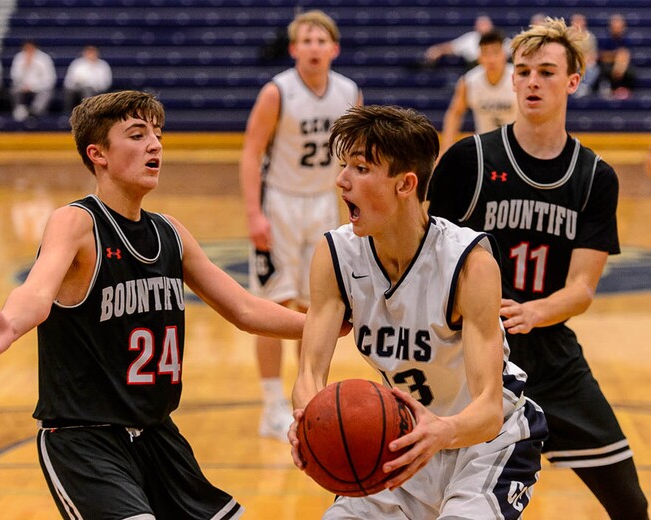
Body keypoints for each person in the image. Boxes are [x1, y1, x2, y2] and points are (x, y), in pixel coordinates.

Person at [0, 90, 308, 519]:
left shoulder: (170, 233)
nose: (154, 144)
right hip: (87, 441)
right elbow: (36, 293)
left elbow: (246, 310)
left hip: (158, 438)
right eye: (137, 135)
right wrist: (8, 323)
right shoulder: (77, 223)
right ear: (97, 154)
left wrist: (331, 324)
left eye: (157, 134)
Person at [428, 18, 649, 520]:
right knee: (430, 499)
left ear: (574, 80)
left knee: (631, 505)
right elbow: (428, 260)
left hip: (551, 357)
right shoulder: (470, 161)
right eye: (523, 71)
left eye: (546, 72)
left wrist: (534, 311)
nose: (531, 81)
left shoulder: (595, 177)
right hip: (471, 358)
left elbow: (582, 289)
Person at [290, 104, 548, 519]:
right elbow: (309, 375)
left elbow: (487, 409)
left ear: (405, 184)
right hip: (399, 441)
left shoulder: (469, 264)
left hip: (483, 445)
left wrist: (442, 431)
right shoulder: (336, 254)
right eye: (344, 166)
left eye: (359, 168)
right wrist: (308, 422)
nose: (341, 181)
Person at [239, 9, 362, 441]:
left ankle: (309, 396)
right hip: (281, 206)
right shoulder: (277, 92)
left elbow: (354, 158)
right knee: (274, 308)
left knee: (317, 309)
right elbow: (252, 154)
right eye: (305, 40)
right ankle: (271, 404)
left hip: (324, 207)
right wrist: (254, 214)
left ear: (334, 48)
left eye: (320, 40)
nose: (313, 47)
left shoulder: (348, 92)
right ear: (294, 49)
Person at [440, 29, 516, 157]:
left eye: (495, 53)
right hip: (485, 147)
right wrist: (446, 149)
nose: (491, 59)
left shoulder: (519, 78)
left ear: (504, 54)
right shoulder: (468, 81)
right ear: (479, 57)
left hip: (515, 146)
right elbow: (455, 113)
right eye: (486, 53)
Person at [9, 39, 57, 122]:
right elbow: (14, 77)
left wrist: (33, 87)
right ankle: (19, 112)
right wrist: (24, 67)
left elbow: (50, 79)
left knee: (46, 93)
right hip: (22, 87)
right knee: (13, 90)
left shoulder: (44, 58)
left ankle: (35, 112)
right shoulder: (19, 58)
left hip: (40, 87)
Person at [424, 14, 495, 69]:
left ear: (491, 26)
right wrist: (438, 50)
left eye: (485, 25)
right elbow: (452, 47)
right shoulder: (470, 38)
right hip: (474, 69)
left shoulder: (498, 39)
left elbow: (506, 47)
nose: (483, 28)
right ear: (476, 27)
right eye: (481, 25)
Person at [598, 13, 637, 99]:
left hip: (623, 66)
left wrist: (619, 65)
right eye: (614, 26)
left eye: (619, 26)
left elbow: (626, 55)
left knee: (630, 72)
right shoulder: (605, 40)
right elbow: (603, 56)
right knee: (604, 69)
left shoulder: (627, 40)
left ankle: (624, 90)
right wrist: (616, 56)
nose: (616, 28)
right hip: (609, 65)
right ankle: (609, 89)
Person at [63, 44, 112, 112]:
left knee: (86, 90)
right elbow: (69, 80)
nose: (90, 55)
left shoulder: (103, 65)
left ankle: (86, 112)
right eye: (88, 52)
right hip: (77, 88)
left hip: (95, 90)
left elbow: (105, 83)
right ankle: (68, 112)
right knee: (69, 91)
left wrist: (91, 85)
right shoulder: (77, 64)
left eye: (92, 52)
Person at [570, 12, 600, 98]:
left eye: (580, 21)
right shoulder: (567, 36)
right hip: (572, 61)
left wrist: (585, 59)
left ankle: (584, 86)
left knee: (594, 69)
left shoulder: (590, 37)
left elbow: (593, 54)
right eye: (576, 21)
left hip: (585, 62)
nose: (578, 24)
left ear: (584, 23)